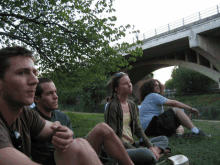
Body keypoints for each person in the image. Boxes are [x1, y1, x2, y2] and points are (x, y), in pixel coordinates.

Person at [0, 46, 135, 165]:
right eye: (22, 73)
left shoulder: (25, 114)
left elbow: (54, 129)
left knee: (81, 143)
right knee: (79, 147)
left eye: (34, 73)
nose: (34, 80)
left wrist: (64, 133)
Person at [105, 72, 170, 165]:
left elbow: (138, 129)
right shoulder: (112, 106)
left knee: (163, 139)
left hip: (132, 144)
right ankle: (157, 153)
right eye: (125, 83)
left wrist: (150, 146)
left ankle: (154, 153)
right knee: (146, 153)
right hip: (119, 149)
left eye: (129, 82)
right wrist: (136, 150)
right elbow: (113, 137)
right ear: (117, 89)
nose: (129, 85)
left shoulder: (131, 104)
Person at [138, 78, 211, 137]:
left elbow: (169, 113)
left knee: (179, 127)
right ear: (149, 88)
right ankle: (196, 132)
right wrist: (190, 109)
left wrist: (182, 117)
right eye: (155, 85)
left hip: (149, 131)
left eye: (158, 85)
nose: (158, 87)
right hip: (152, 127)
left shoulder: (148, 98)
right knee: (176, 109)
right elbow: (174, 103)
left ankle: (178, 136)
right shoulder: (153, 95)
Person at [31, 78, 75, 165]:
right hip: (48, 161)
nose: (56, 96)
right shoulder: (31, 117)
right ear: (36, 99)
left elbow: (73, 143)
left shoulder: (63, 117)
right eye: (50, 93)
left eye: (55, 92)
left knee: (102, 128)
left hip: (69, 155)